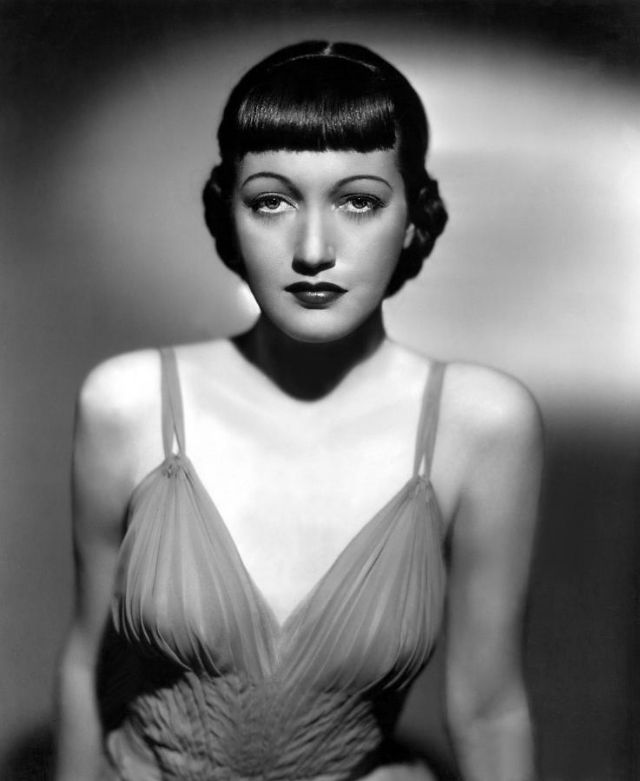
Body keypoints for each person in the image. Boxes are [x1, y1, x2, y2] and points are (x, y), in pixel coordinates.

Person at [54, 40, 542, 781]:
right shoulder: (126, 404)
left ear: (414, 218)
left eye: (359, 201)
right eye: (271, 202)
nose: (313, 248)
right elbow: (86, 665)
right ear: (229, 215)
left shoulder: (481, 424)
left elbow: (489, 711)